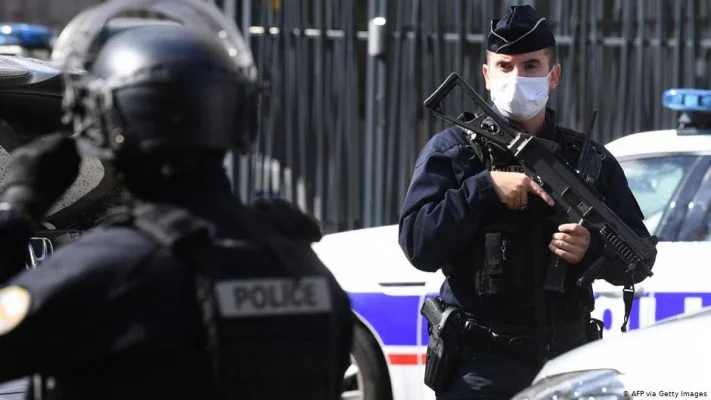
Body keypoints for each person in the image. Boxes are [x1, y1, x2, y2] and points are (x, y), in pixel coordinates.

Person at [0, 1, 353, 399]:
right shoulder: (302, 267)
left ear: (102, 121)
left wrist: (19, 208)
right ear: (236, 115)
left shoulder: (112, 269)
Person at [399, 5, 655, 400]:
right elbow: (418, 245)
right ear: (486, 75)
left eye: (531, 65)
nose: (516, 77)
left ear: (554, 75)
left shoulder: (588, 161)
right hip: (481, 369)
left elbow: (638, 260)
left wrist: (591, 250)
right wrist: (484, 190)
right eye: (505, 66)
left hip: (568, 366)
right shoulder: (454, 151)